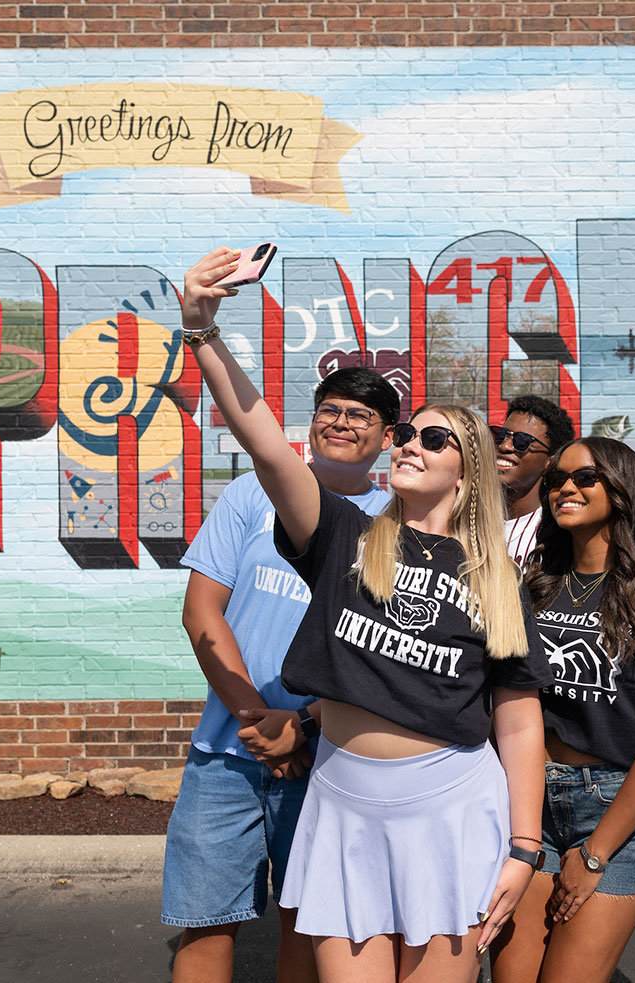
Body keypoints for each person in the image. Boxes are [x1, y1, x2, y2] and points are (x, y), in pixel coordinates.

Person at [179, 245, 552, 983]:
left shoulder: (494, 577)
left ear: (468, 465)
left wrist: (523, 846)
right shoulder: (346, 536)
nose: (410, 442)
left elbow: (518, 719)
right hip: (343, 800)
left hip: (451, 805)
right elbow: (265, 445)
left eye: (433, 437)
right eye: (407, 432)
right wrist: (202, 330)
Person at [162, 366, 400, 983]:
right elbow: (201, 611)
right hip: (225, 755)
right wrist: (255, 721)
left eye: (360, 415)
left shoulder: (396, 522)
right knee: (206, 918)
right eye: (331, 409)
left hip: (329, 757)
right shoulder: (249, 495)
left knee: (308, 921)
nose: (341, 423)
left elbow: (391, 652)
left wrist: (300, 725)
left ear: (388, 437)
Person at [489, 436, 635, 983]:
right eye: (558, 478)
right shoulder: (534, 585)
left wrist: (594, 857)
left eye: (586, 477)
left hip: (611, 809)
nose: (566, 486)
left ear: (621, 488)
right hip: (528, 799)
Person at [493, 395, 574, 569]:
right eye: (501, 435)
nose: (505, 446)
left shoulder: (553, 536)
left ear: (549, 462)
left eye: (521, 442)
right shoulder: (469, 515)